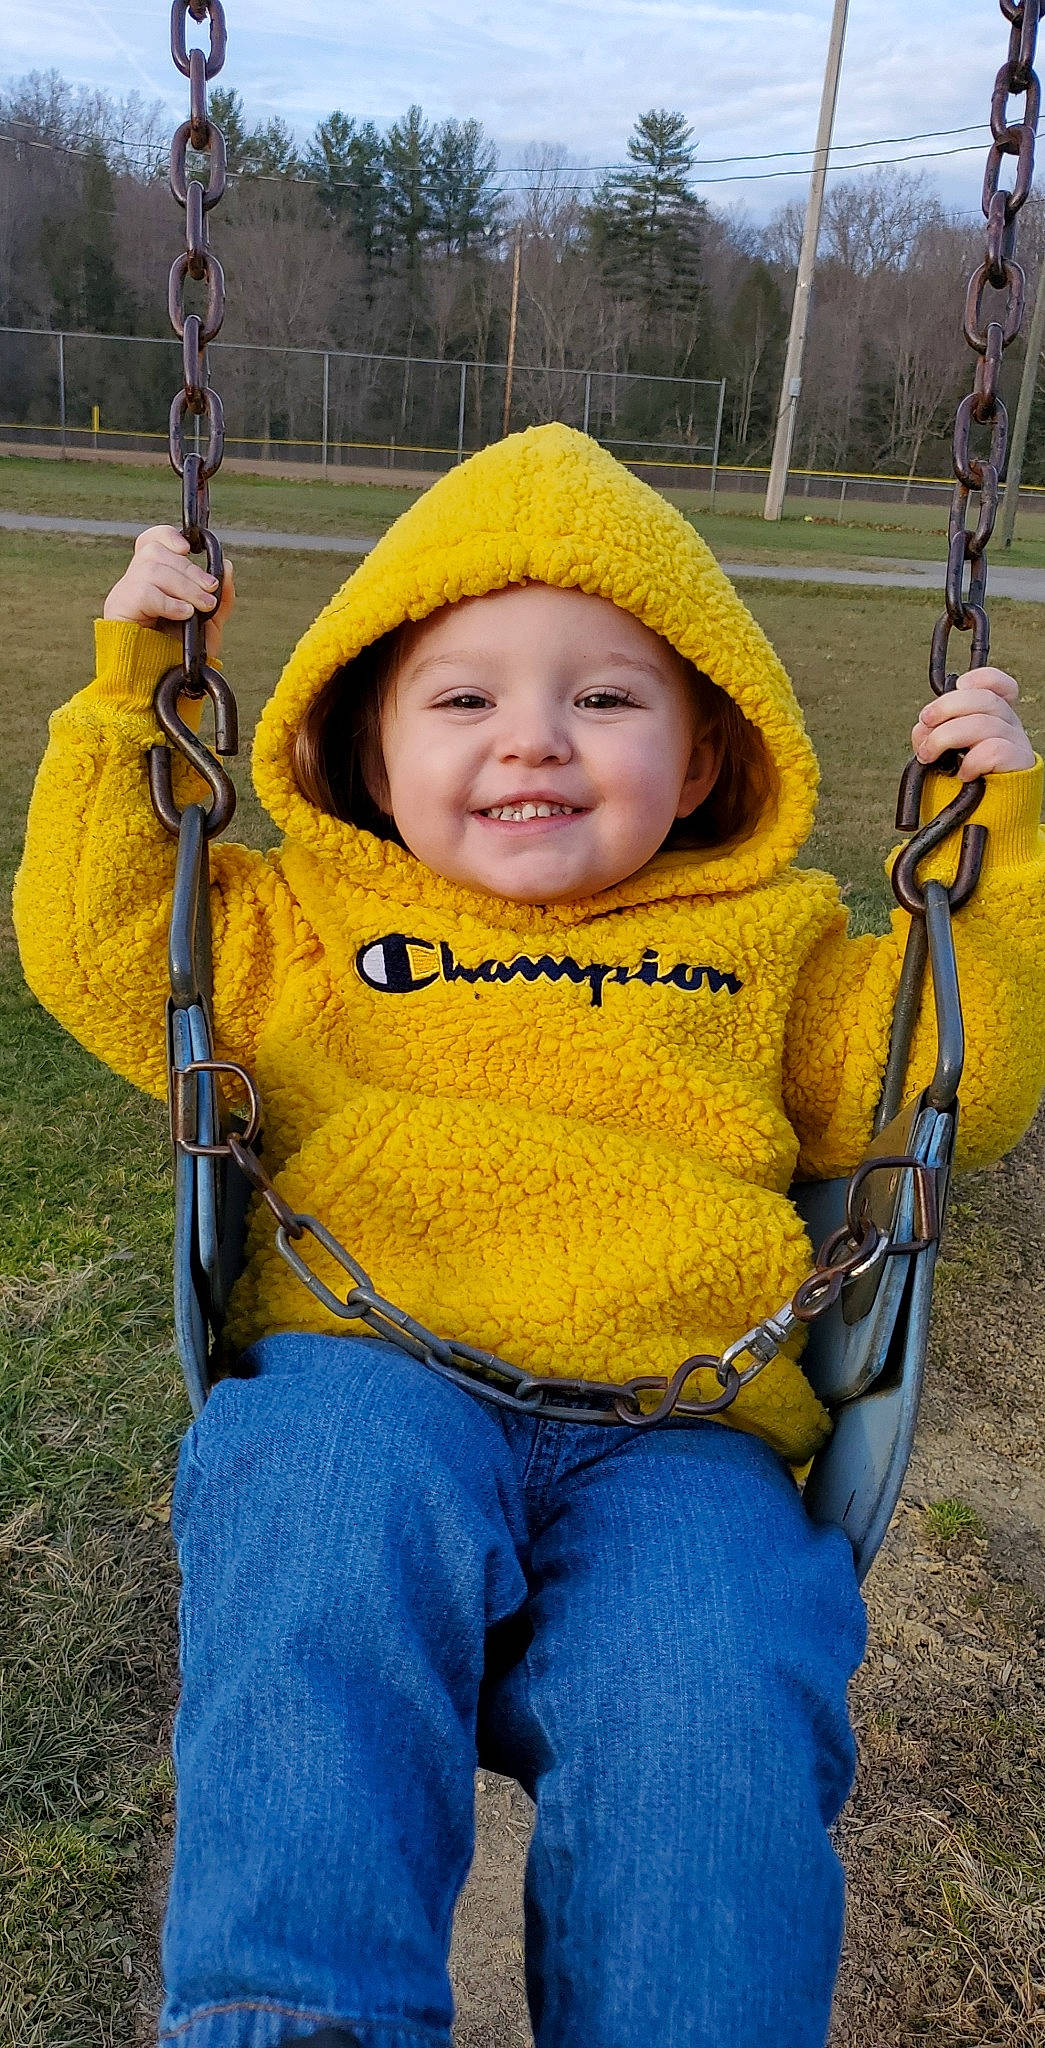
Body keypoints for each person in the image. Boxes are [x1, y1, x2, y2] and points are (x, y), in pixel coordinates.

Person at [13, 424, 1045, 2048]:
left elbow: (944, 1084)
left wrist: (1003, 851)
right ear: (365, 746)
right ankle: (298, 2017)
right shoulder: (304, 920)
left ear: (706, 759)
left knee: (717, 1697)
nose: (534, 743)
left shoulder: (771, 946)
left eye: (607, 698)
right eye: (466, 697)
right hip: (372, 1370)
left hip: (681, 1431)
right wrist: (133, 692)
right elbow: (101, 942)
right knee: (316, 1554)